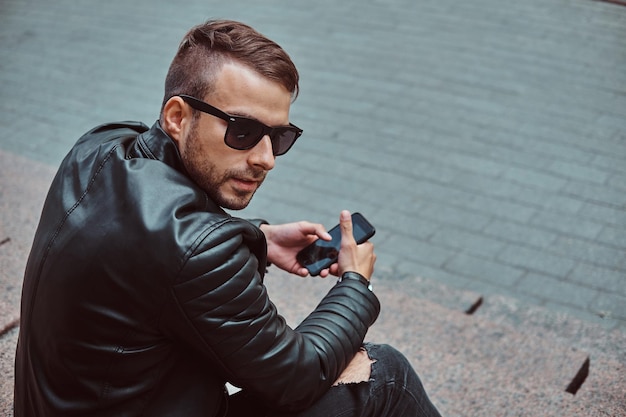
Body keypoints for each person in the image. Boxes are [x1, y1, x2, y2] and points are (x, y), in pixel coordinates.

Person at [14, 19, 442, 417]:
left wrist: (259, 238)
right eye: (242, 131)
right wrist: (355, 285)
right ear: (178, 117)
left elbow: (156, 252)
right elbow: (297, 377)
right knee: (386, 374)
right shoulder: (198, 249)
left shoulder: (100, 147)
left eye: (280, 136)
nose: (266, 159)